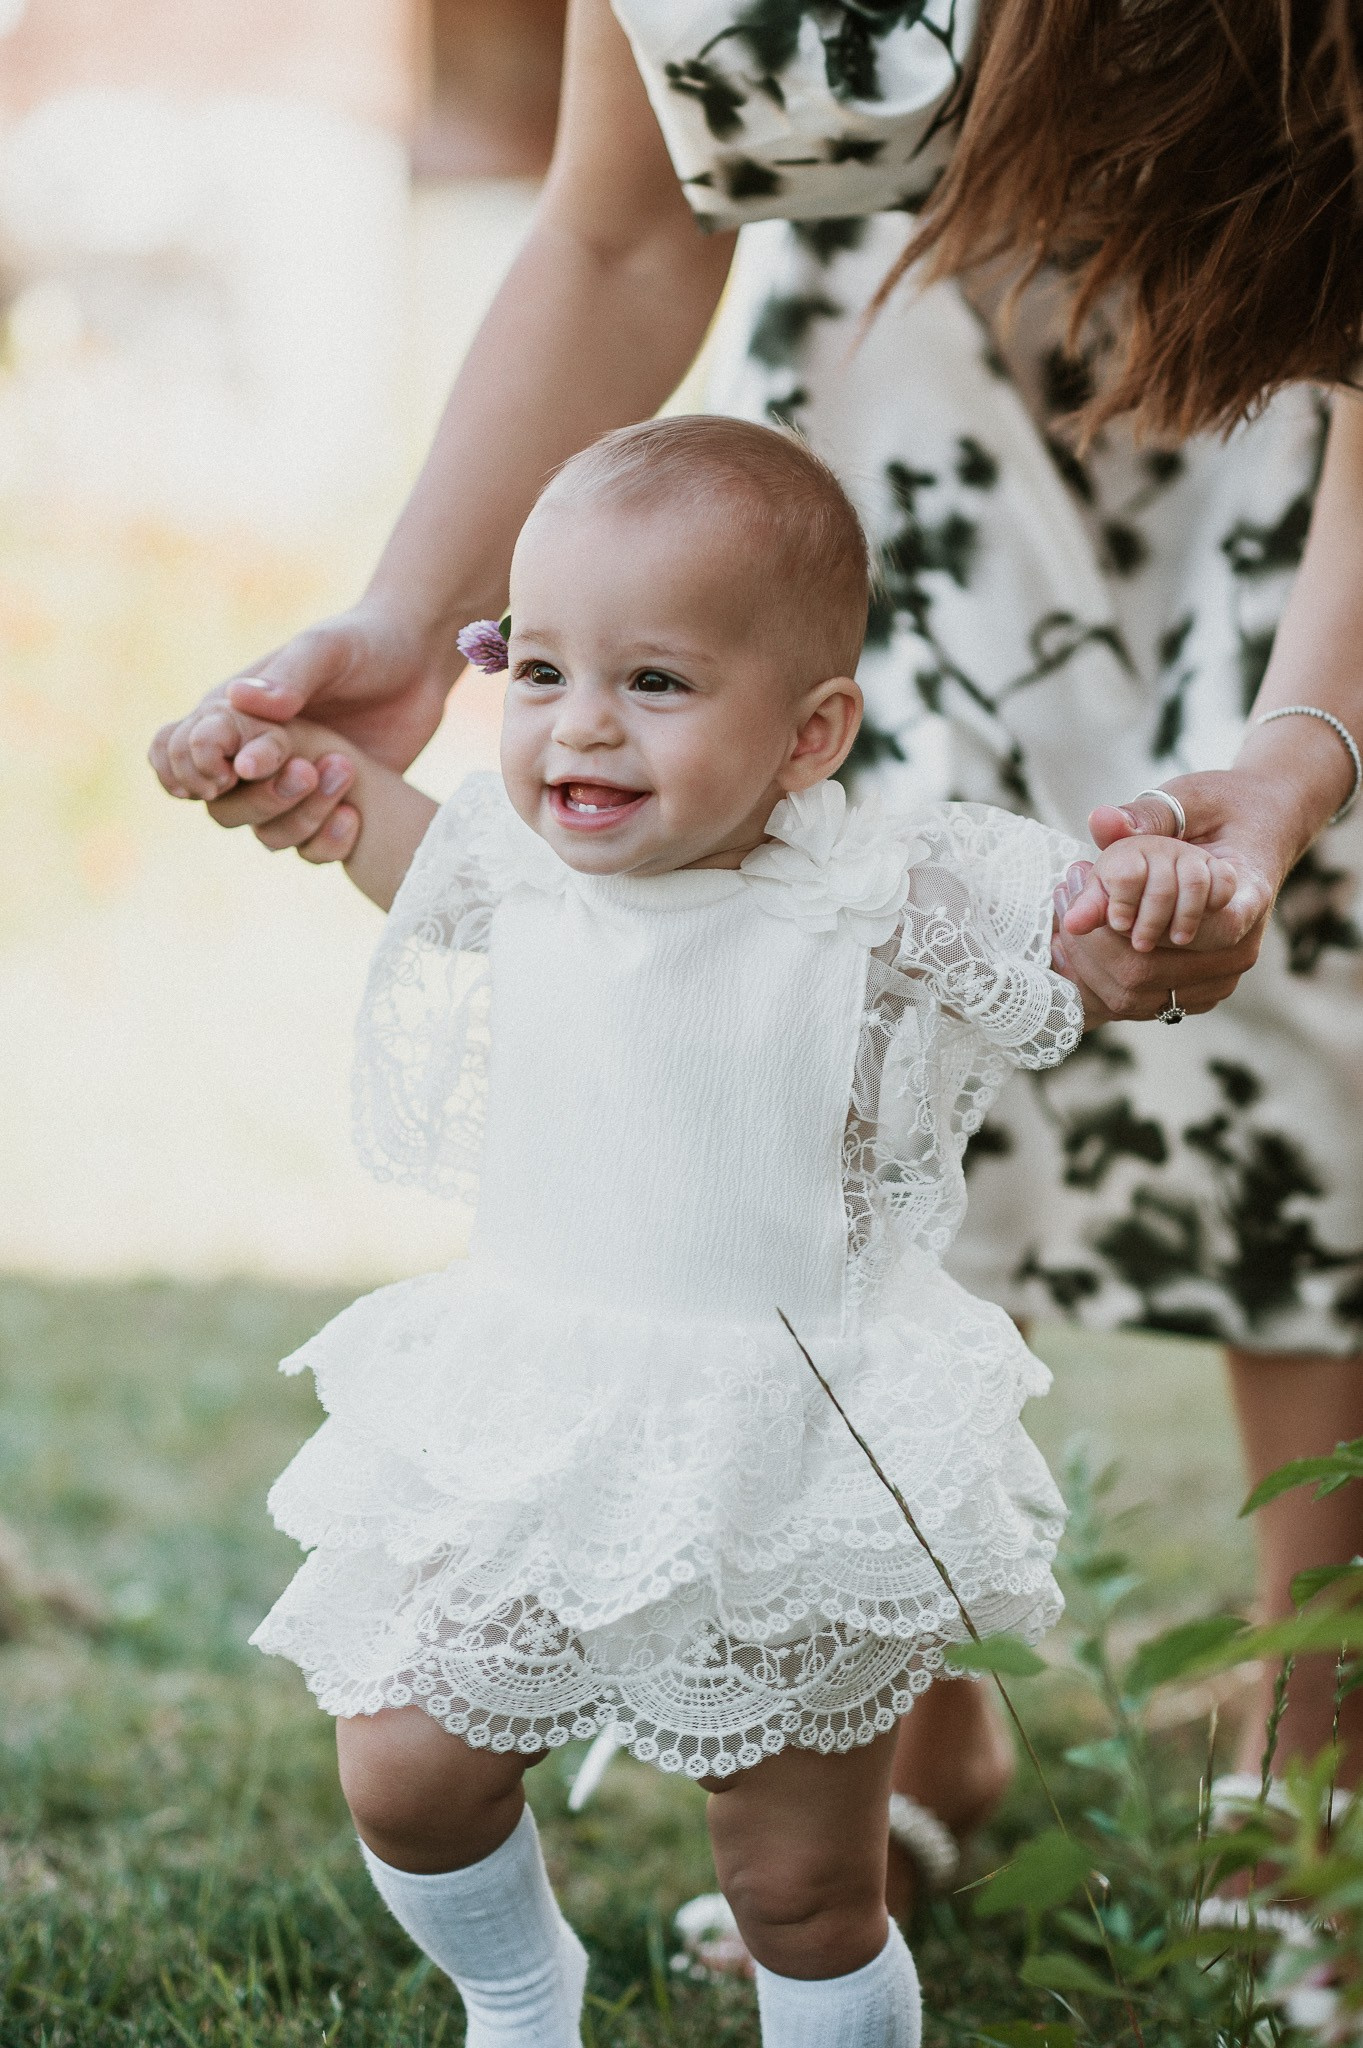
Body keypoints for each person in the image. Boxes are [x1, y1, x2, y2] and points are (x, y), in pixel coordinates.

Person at [150, 0, 1363, 1914]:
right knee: (843, 1016)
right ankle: (902, 1700)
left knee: (1312, 1037)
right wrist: (416, 616)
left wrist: (1309, 751)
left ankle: (1312, 1763)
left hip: (1292, 440)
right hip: (895, 468)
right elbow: (623, 227)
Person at [166, 417, 1237, 2043]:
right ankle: (521, 2000)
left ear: (811, 736)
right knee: (405, 1757)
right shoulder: (517, 866)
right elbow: (372, 826)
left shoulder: (884, 895)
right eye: (535, 672)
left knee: (800, 1884)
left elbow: (1088, 950)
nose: (579, 726)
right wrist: (277, 770)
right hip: (537, 1409)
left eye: (654, 684)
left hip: (789, 1435)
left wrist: (1156, 895)